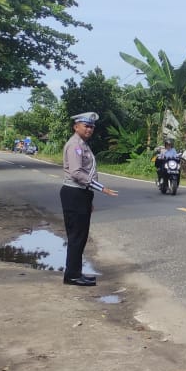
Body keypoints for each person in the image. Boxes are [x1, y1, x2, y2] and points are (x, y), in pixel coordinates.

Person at [61, 112, 118, 287]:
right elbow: (76, 173)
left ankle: (76, 272)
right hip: (74, 193)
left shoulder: (82, 145)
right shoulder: (75, 145)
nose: (89, 129)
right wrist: (101, 188)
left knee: (81, 236)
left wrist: (89, 199)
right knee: (76, 236)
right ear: (76, 126)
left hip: (81, 194)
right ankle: (71, 276)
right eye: (86, 126)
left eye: (92, 126)